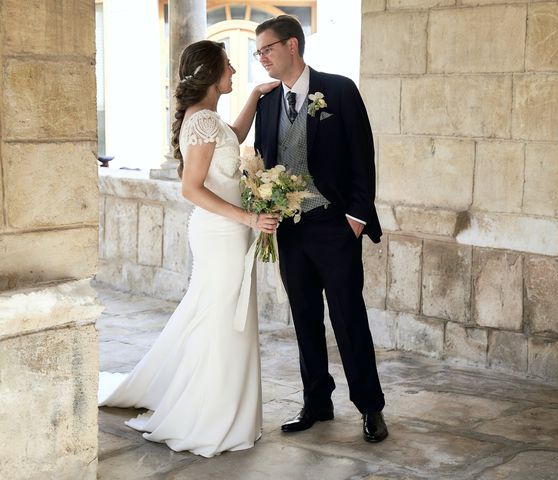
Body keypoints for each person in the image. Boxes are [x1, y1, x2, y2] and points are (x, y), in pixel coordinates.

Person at [98, 40, 279, 457]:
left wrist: (252, 95)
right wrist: (250, 218)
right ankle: (209, 417)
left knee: (221, 315)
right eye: (230, 68)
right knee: (220, 320)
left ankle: (228, 409)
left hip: (229, 231)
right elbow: (191, 188)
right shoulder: (199, 123)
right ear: (212, 75)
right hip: (221, 233)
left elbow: (232, 137)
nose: (234, 73)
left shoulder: (209, 120)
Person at [253, 15, 388, 443]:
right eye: (258, 53)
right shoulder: (267, 101)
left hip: (334, 225)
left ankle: (370, 407)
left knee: (349, 317)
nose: (262, 59)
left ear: (292, 46)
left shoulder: (340, 89)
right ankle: (316, 403)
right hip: (291, 231)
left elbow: (362, 158)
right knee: (304, 317)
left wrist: (355, 218)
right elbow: (263, 160)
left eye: (267, 50)